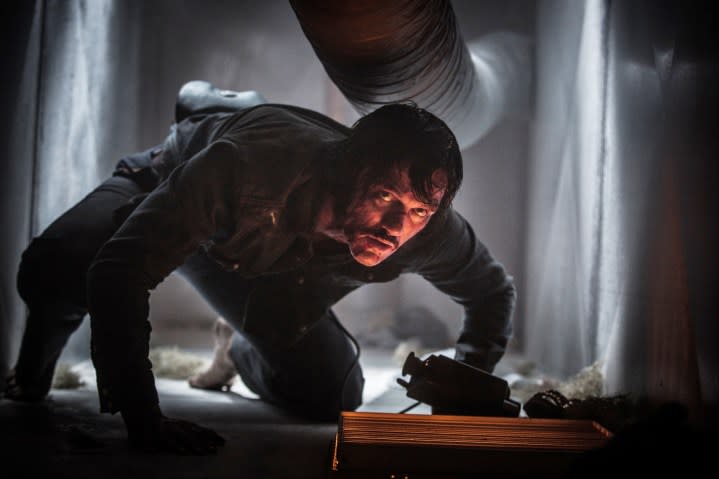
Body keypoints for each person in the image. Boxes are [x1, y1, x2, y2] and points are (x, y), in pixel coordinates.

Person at [3, 98, 516, 455]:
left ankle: (238, 348)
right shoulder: (248, 166)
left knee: (331, 395)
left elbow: (492, 291)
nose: (395, 227)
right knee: (60, 262)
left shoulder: (427, 230)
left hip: (274, 269)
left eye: (418, 210)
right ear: (349, 171)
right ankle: (30, 373)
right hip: (169, 191)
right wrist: (143, 418)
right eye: (383, 196)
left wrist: (459, 396)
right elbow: (121, 272)